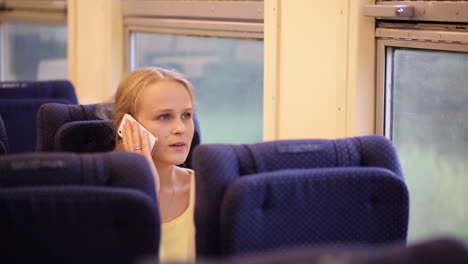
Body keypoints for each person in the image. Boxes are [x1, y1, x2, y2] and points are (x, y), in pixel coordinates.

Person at [113, 67, 196, 263]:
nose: (180, 129)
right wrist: (146, 187)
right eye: (164, 117)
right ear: (128, 125)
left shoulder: (208, 189)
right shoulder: (106, 195)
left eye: (186, 115)